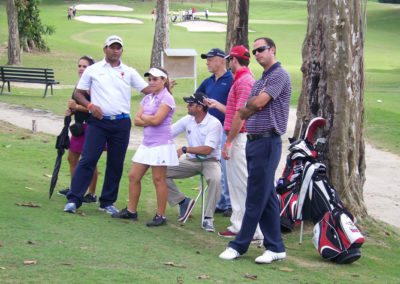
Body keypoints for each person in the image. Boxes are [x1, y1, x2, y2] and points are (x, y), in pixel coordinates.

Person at [219, 37, 291, 264]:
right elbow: (252, 104)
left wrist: (248, 108)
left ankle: (239, 245)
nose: (257, 54)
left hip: (268, 141)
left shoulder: (279, 75)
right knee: (267, 196)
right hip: (254, 141)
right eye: (255, 50)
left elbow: (257, 104)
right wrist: (249, 107)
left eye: (261, 50)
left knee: (255, 195)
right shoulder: (262, 79)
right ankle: (276, 247)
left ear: (273, 50)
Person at [64, 35, 150, 214]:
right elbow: (78, 92)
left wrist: (163, 86)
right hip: (98, 122)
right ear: (105, 49)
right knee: (88, 159)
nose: (115, 50)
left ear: (122, 50)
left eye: (118, 47)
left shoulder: (129, 71)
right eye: (112, 47)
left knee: (115, 163)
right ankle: (74, 199)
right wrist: (90, 105)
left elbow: (147, 90)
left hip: (121, 123)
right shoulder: (93, 70)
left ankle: (107, 202)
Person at [206, 45, 263, 241]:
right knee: (235, 183)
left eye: (230, 60)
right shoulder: (241, 79)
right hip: (236, 137)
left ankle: (252, 229)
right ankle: (238, 224)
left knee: (241, 183)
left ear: (233, 60)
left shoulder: (244, 81)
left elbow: (241, 114)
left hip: (239, 137)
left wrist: (228, 142)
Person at [111, 67, 178, 227]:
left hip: (161, 144)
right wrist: (149, 118)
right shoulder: (148, 98)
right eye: (150, 79)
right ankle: (131, 211)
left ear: (163, 80)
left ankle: (161, 215)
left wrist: (147, 118)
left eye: (155, 79)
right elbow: (136, 120)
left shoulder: (167, 98)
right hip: (147, 144)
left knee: (158, 179)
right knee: (134, 176)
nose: (151, 82)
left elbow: (157, 121)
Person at [166, 92, 222, 232]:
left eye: (190, 104)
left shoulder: (214, 123)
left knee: (215, 179)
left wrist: (184, 149)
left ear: (200, 107)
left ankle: (208, 218)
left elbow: (208, 150)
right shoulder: (188, 119)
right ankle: (182, 201)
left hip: (211, 162)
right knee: (160, 171)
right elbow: (168, 133)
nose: (187, 106)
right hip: (191, 161)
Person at [58, 56, 99, 203]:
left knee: (90, 161)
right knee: (72, 158)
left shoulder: (93, 86)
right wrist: (72, 111)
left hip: (91, 127)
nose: (81, 68)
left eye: (85, 66)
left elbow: (97, 109)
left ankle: (92, 193)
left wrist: (77, 107)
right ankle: (75, 188)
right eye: (79, 66)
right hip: (78, 127)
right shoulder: (80, 84)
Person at [198, 48, 233, 217]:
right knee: (214, 166)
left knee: (227, 168)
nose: (207, 62)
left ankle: (228, 203)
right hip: (210, 130)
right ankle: (221, 201)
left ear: (221, 60)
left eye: (210, 59)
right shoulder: (208, 81)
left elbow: (236, 109)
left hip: (226, 129)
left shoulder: (231, 79)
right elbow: (197, 97)